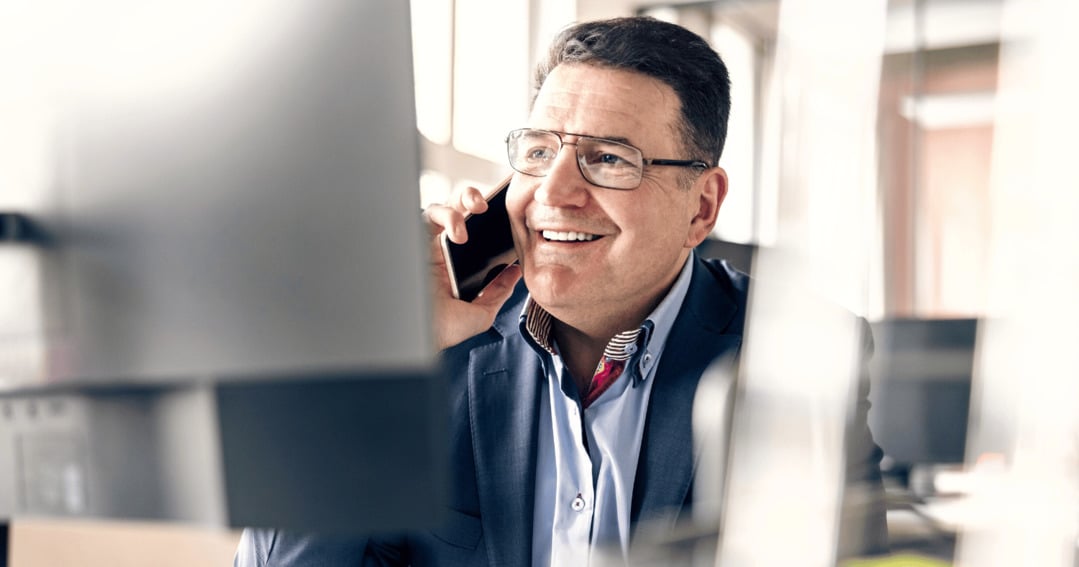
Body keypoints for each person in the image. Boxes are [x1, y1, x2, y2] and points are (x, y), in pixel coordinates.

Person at [235, 16, 887, 566]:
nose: (553, 193)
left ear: (701, 207)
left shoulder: (799, 353)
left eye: (608, 158)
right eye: (539, 151)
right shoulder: (443, 342)